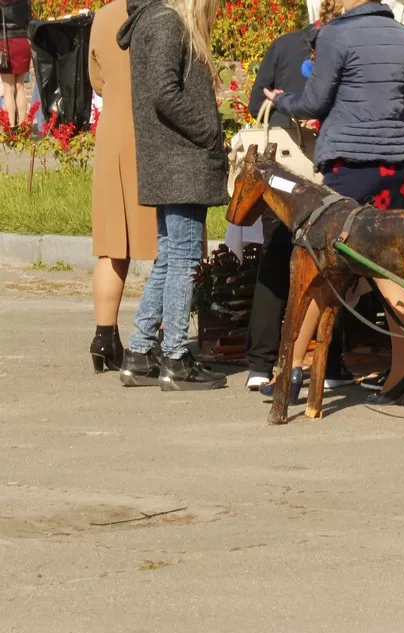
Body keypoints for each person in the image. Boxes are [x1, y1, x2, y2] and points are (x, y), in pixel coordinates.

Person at [265, 0, 404, 405]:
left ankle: (292, 368)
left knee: (321, 267)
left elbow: (313, 103)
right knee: (390, 268)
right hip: (394, 165)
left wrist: (281, 99)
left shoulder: (337, 33)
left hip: (348, 163)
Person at [116, 0, 229, 390]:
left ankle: (139, 352)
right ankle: (176, 358)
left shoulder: (153, 20)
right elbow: (164, 93)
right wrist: (208, 130)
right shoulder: (167, 22)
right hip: (181, 159)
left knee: (170, 255)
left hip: (170, 158)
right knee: (181, 257)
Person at [242, 17, 354, 392]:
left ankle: (261, 361)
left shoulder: (284, 44)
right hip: (327, 167)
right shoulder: (350, 44)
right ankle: (331, 361)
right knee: (330, 260)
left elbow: (256, 102)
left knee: (276, 256)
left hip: (284, 168)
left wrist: (289, 109)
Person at [87, 0, 158, 373]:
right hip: (156, 134)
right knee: (170, 245)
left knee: (112, 245)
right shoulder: (169, 12)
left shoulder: (103, 16)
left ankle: (104, 337)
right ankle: (162, 338)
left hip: (113, 134)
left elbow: (96, 81)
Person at [0, 0, 31, 126]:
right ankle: (22, 127)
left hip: (4, 43)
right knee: (20, 86)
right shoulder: (25, 2)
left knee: (8, 89)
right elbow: (30, 21)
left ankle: (11, 128)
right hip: (22, 42)